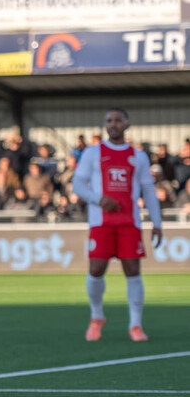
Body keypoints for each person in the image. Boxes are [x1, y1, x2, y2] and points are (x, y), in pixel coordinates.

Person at [72, 108, 163, 342]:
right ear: (105, 125)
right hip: (101, 223)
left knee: (133, 270)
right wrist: (98, 199)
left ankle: (135, 325)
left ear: (127, 124)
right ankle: (96, 317)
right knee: (96, 269)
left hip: (129, 223)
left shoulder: (138, 156)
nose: (113, 124)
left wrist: (157, 222)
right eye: (109, 121)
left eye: (118, 120)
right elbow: (77, 184)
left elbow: (148, 191)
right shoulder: (93, 153)